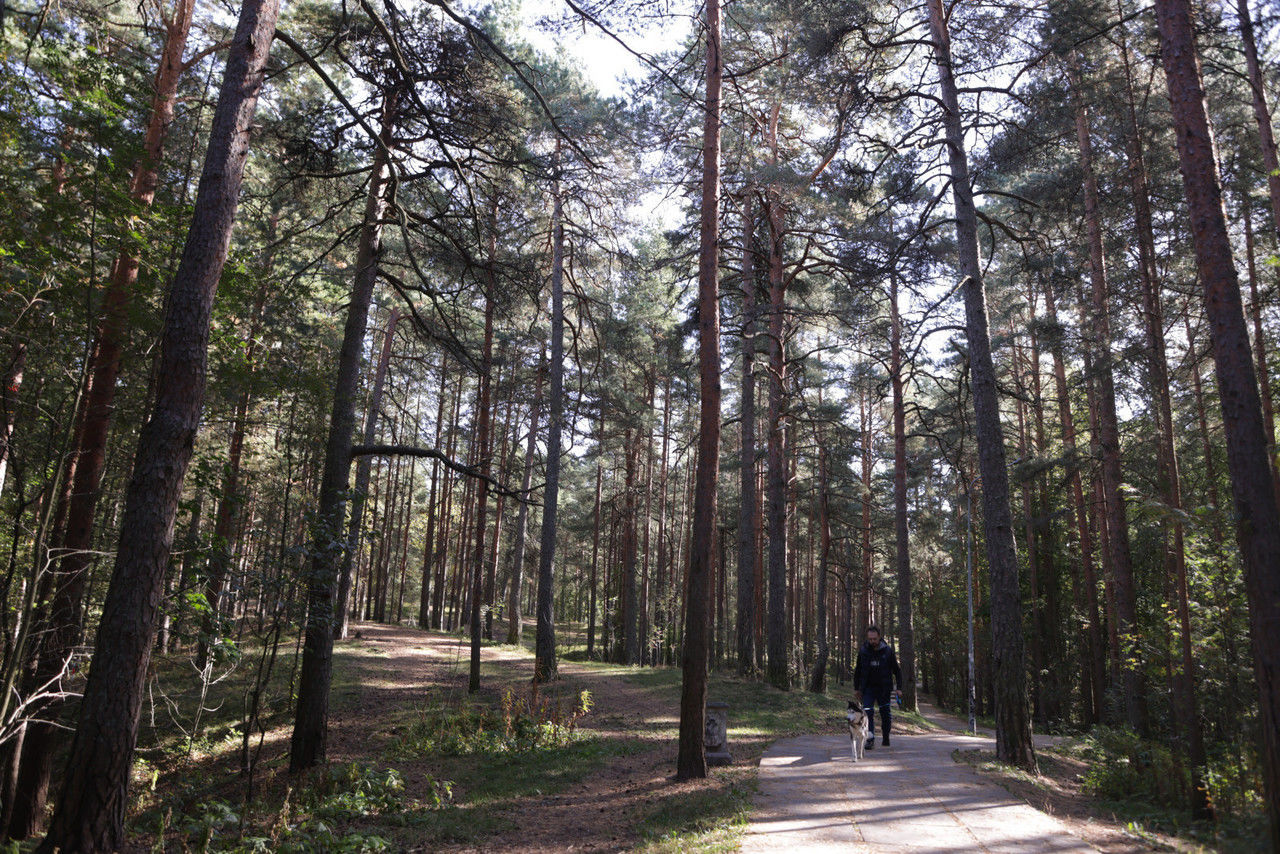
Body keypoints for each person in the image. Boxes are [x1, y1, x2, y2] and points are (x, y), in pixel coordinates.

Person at [853, 625, 902, 749]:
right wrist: (857, 688)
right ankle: (870, 739)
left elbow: (897, 670)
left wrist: (899, 687)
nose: (872, 641)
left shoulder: (888, 651)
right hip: (868, 688)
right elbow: (858, 670)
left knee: (885, 714)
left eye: (874, 639)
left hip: (884, 688)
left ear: (879, 637)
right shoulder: (863, 651)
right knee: (868, 713)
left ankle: (886, 736)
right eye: (870, 639)